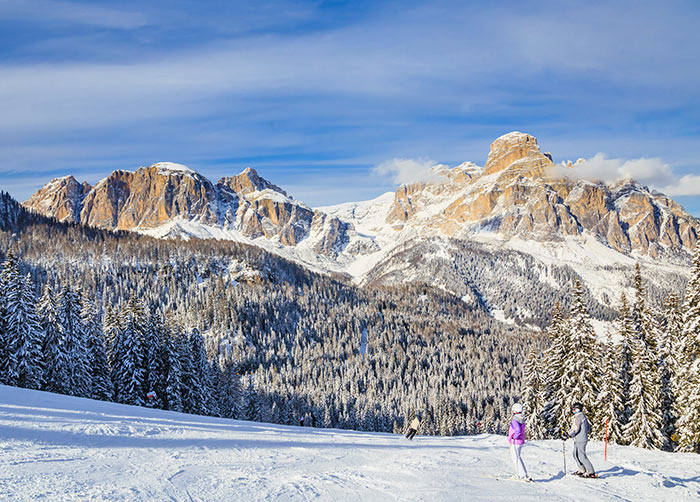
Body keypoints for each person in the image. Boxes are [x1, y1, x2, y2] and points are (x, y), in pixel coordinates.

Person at [566, 402, 596, 478]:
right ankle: (582, 469)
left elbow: (575, 428)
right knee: (575, 454)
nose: (573, 410)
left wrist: (568, 434)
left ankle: (590, 472)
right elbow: (588, 428)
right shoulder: (582, 416)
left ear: (578, 409)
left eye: (574, 409)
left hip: (581, 439)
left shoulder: (579, 416)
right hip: (578, 439)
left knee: (581, 456)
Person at [508, 403, 531, 481]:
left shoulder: (515, 419)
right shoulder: (521, 418)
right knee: (518, 457)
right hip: (521, 440)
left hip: (516, 441)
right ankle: (523, 474)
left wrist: (514, 437)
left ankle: (520, 475)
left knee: (515, 458)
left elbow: (517, 430)